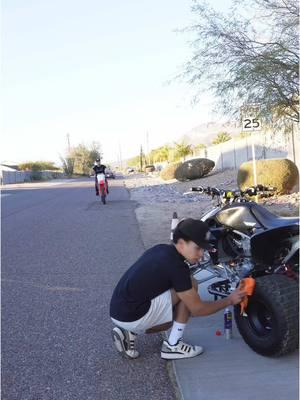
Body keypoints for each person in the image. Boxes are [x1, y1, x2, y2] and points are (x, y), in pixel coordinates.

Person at [109, 218, 246, 360]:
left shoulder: (160, 249)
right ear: (181, 243)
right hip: (132, 315)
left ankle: (129, 331)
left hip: (118, 311)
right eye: (197, 248)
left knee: (182, 295)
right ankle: (173, 346)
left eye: (203, 249)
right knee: (189, 289)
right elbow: (198, 309)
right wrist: (230, 300)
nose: (201, 254)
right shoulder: (177, 267)